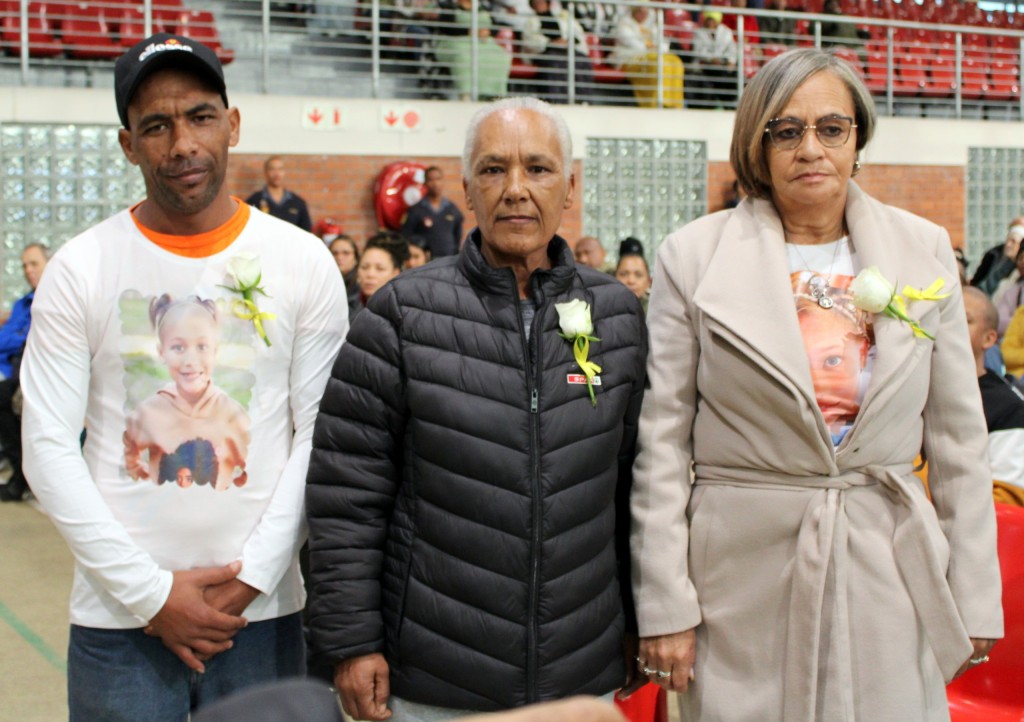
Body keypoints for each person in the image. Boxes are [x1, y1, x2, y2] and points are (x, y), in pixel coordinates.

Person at [630, 48, 1002, 721]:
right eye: (787, 130)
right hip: (738, 575)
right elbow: (660, 443)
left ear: (857, 138)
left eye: (832, 128)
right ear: (758, 143)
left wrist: (973, 593)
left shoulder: (922, 249)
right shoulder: (692, 255)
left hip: (885, 560)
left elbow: (957, 443)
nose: (811, 148)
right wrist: (666, 604)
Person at [19, 33, 347, 720]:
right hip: (121, 622)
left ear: (231, 124)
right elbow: (46, 447)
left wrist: (253, 577)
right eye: (156, 126)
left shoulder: (302, 261)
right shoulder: (80, 269)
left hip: (262, 616)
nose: (182, 144)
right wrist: (149, 594)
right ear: (127, 145)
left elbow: (321, 433)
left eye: (199, 117)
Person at [305, 96, 648, 721]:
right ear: (466, 189)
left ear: (569, 187)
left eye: (538, 169)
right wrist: (351, 642)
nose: (516, 189)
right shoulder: (403, 315)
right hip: (437, 677)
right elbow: (346, 496)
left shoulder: (617, 315)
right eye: (493, 170)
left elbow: (633, 489)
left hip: (582, 670)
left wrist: (638, 621)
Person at [122, 295, 249, 490]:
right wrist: (144, 475)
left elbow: (249, 469)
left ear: (215, 351)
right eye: (178, 347)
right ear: (161, 352)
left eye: (201, 347)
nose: (190, 360)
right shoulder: (148, 412)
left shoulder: (232, 415)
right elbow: (129, 456)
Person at [964, 288, 1024, 505]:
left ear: (989, 338)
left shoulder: (1008, 408)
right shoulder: (913, 388)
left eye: (964, 319)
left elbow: (1006, 499)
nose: (949, 326)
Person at [0, 243, 49, 502]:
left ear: (49, 264)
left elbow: (23, 340)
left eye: (34, 264)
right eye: (25, 265)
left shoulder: (52, 299)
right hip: (11, 367)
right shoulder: (23, 303)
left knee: (2, 397)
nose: (28, 270)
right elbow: (7, 337)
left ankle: (20, 474)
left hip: (34, 370)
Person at [435, 0, 512, 101]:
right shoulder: (449, 7)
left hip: (484, 43)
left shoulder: (485, 8)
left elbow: (495, 27)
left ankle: (494, 95)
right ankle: (465, 94)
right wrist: (470, 31)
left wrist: (487, 31)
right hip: (457, 42)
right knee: (465, 57)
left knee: (501, 56)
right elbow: (446, 28)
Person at [610, 5, 684, 109]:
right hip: (631, 57)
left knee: (675, 61)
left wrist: (655, 47)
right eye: (639, 11)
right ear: (634, 11)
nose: (643, 14)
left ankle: (673, 104)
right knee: (656, 63)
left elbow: (663, 44)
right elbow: (632, 44)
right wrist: (652, 47)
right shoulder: (624, 24)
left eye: (645, 11)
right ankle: (655, 103)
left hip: (653, 54)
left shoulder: (652, 26)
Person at [520, 0, 594, 105]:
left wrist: (567, 42)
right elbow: (529, 39)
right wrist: (551, 42)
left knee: (582, 60)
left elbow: (578, 34)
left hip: (567, 50)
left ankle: (583, 100)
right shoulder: (531, 20)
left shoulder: (563, 17)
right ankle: (556, 101)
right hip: (545, 51)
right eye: (536, 3)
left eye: (541, 2)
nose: (539, 4)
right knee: (554, 61)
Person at [400, 166, 464, 258]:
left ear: (443, 181)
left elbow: (457, 237)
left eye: (438, 179)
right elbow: (406, 237)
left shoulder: (452, 209)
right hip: (425, 263)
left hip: (448, 261)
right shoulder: (415, 210)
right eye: (430, 180)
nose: (435, 184)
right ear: (425, 183)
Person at [245, 156, 313, 231]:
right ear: (265, 172)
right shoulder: (254, 201)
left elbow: (307, 233)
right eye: (272, 169)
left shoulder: (298, 203)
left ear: (284, 172)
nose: (276, 173)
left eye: (280, 169)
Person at [690, 11, 738, 106]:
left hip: (722, 65)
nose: (710, 22)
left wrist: (730, 61)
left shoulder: (726, 31)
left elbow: (732, 49)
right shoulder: (699, 32)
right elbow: (698, 51)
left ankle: (729, 103)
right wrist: (712, 59)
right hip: (705, 65)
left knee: (732, 76)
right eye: (708, 20)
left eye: (713, 20)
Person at [971, 217, 1024, 295]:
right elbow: (978, 282)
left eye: (1013, 241)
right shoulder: (993, 254)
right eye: (1007, 240)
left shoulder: (1020, 268)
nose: (1008, 245)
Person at [614, 238, 652, 312]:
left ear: (648, 282)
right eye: (624, 274)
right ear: (614, 278)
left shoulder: (656, 312)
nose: (631, 281)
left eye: (638, 275)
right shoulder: (602, 310)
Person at [328, 233, 361, 313]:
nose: (339, 257)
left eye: (346, 253)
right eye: (334, 253)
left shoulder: (361, 284)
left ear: (356, 258)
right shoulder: (325, 283)